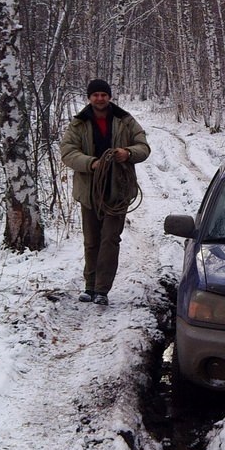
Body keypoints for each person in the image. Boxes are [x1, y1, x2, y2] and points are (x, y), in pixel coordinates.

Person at [60, 79, 151, 306]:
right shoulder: (79, 123)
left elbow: (143, 146)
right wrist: (90, 163)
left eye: (103, 94)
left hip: (118, 191)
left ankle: (102, 289)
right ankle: (89, 286)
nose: (100, 98)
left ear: (109, 96)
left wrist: (128, 153)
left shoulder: (125, 120)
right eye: (95, 95)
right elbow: (67, 152)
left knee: (110, 240)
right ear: (89, 97)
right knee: (92, 241)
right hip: (89, 192)